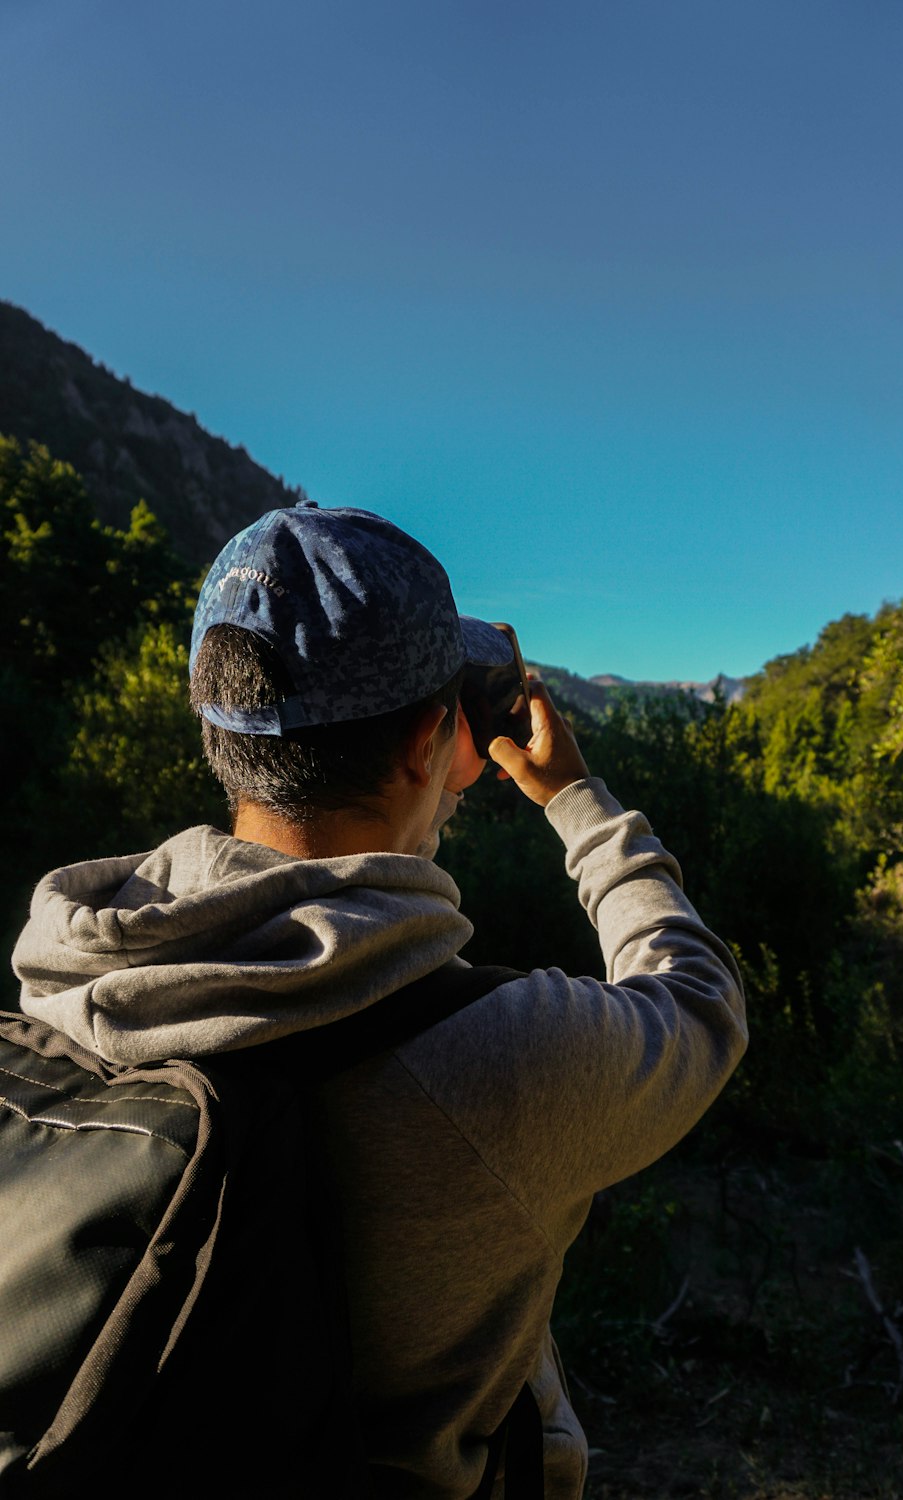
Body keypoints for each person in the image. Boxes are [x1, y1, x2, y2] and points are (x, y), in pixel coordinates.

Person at [14, 501, 747, 1499]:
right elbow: (700, 1003)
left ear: (216, 727)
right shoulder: (505, 1057)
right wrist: (579, 803)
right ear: (423, 744)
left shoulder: (62, 978)